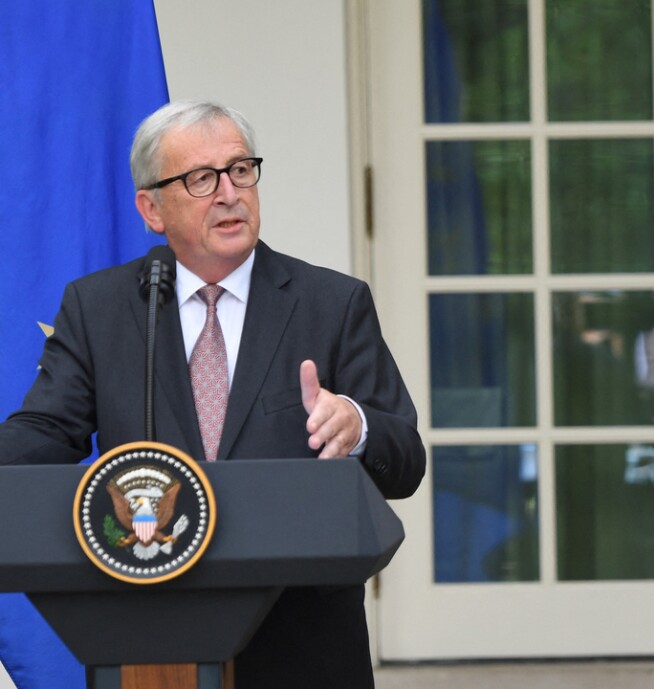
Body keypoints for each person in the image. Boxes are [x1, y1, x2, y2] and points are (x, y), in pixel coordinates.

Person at [0, 100, 426, 688]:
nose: (229, 193)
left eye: (240, 170)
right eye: (201, 179)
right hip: (153, 633)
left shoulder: (331, 303)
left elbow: (405, 459)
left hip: (301, 641)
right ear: (152, 208)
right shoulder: (99, 309)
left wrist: (356, 425)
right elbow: (44, 432)